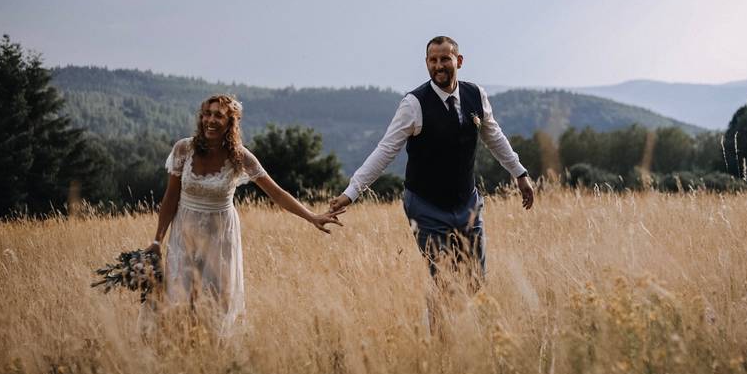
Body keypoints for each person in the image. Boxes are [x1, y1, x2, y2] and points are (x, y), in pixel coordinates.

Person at [329, 36, 534, 293]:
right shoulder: (413, 104)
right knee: (445, 282)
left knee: (476, 281)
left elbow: (494, 136)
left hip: (467, 202)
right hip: (426, 206)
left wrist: (520, 173)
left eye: (445, 59)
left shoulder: (476, 95)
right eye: (433, 60)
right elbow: (385, 150)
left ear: (458, 61)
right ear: (426, 63)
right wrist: (351, 192)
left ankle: (467, 332)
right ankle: (439, 333)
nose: (439, 66)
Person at [147, 94, 343, 333]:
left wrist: (312, 216)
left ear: (231, 122)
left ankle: (210, 359)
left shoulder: (240, 157)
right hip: (184, 235)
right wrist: (157, 240)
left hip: (220, 238)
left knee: (214, 305)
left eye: (218, 115)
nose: (210, 120)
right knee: (180, 300)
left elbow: (277, 193)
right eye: (207, 114)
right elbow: (170, 198)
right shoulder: (183, 149)